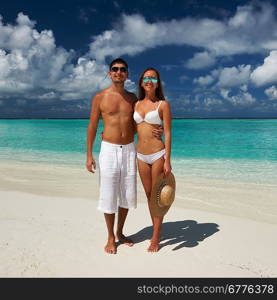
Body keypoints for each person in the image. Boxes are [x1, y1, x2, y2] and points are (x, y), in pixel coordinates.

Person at [86, 58, 162, 254]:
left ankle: (120, 232)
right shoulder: (99, 97)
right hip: (108, 149)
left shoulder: (133, 100)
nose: (118, 72)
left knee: (127, 194)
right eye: (115, 69)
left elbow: (139, 124)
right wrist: (89, 154)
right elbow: (93, 126)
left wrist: (156, 131)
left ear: (127, 74)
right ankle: (110, 237)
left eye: (122, 69)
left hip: (129, 149)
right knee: (108, 194)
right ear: (110, 73)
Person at [134, 67, 172, 252]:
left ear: (158, 83)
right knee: (149, 196)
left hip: (158, 154)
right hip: (140, 155)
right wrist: (107, 133)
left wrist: (167, 160)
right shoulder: (135, 104)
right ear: (141, 82)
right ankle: (158, 227)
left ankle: (155, 237)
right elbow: (133, 128)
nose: (150, 81)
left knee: (157, 198)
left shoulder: (163, 105)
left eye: (154, 78)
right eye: (146, 78)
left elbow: (168, 132)